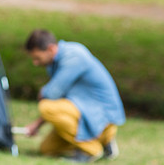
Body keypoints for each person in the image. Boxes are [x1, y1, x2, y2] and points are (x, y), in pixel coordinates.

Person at [24, 29, 125, 163]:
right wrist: (37, 125)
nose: (35, 63)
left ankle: (92, 149)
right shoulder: (53, 63)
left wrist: (43, 91)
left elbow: (51, 94)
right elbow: (58, 98)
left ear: (51, 49)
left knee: (46, 107)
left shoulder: (74, 55)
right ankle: (102, 142)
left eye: (37, 58)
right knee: (47, 149)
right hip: (83, 111)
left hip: (101, 115)